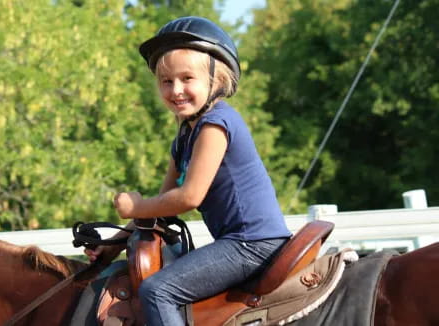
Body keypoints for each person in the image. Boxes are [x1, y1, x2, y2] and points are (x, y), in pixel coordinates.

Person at [85, 16, 292, 326]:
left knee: (158, 290)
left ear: (216, 79)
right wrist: (112, 244)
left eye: (187, 78)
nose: (176, 90)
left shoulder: (215, 125)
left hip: (252, 243)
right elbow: (164, 206)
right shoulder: (184, 137)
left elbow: (189, 197)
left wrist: (135, 206)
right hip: (238, 242)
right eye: (166, 81)